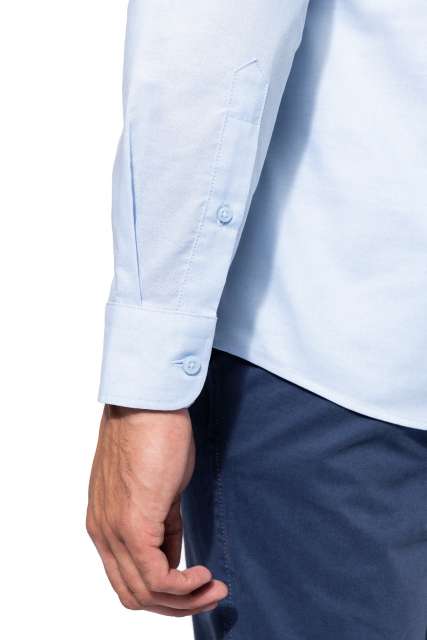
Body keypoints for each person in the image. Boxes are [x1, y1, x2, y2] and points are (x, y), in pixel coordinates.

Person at [86, 1, 427, 638]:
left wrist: (145, 391)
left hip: (337, 381)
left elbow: (205, 48)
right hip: (334, 384)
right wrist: (151, 389)